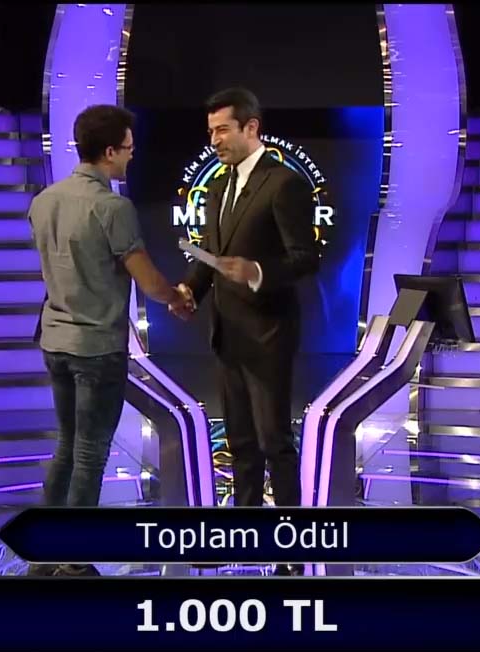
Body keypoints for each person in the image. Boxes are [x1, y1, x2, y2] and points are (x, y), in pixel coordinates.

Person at [28, 104, 185, 575]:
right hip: (96, 347)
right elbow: (148, 280)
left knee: (67, 446)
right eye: (129, 149)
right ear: (110, 150)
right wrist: (177, 297)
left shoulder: (44, 201)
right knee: (89, 454)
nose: (132, 156)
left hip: (55, 341)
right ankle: (74, 562)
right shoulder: (114, 208)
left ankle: (43, 555)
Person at [172, 88, 319, 562]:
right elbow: (212, 256)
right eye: (210, 131)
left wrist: (257, 271)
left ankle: (291, 550)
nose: (214, 140)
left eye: (222, 130)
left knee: (275, 441)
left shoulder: (284, 183)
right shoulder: (218, 187)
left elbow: (306, 258)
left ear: (251, 127)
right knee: (239, 443)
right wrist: (190, 289)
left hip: (268, 334)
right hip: (227, 333)